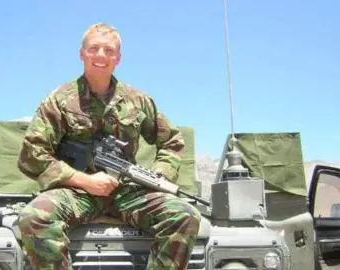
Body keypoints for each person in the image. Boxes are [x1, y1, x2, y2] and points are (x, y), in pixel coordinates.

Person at [17, 22, 202, 270]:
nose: (101, 56)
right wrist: (84, 181)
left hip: (126, 191)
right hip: (77, 192)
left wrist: (158, 173)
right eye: (94, 48)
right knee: (34, 217)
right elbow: (32, 154)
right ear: (81, 53)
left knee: (185, 215)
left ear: (118, 58)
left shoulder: (138, 101)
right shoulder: (59, 99)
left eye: (109, 50)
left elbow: (172, 142)